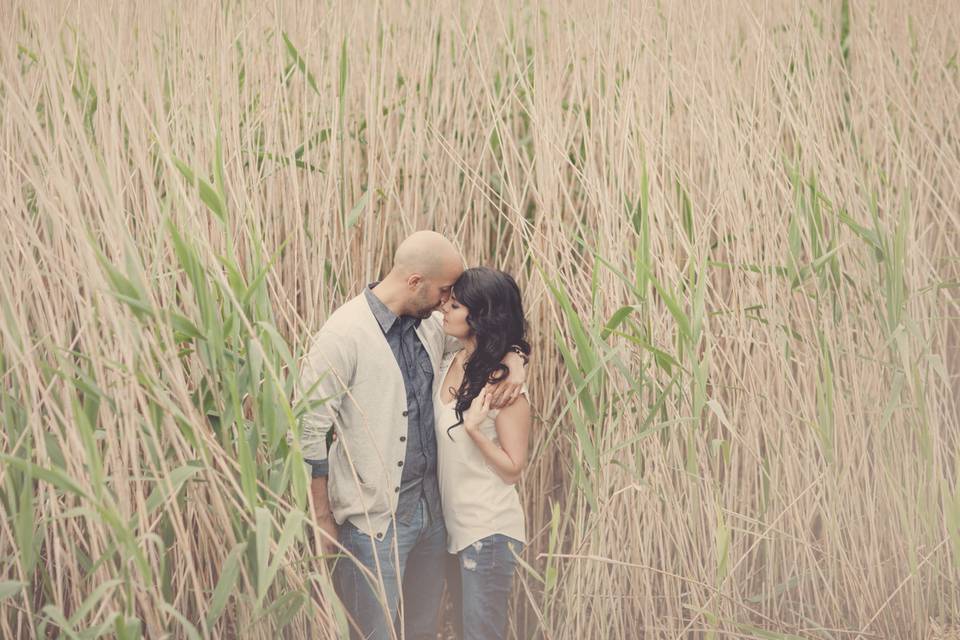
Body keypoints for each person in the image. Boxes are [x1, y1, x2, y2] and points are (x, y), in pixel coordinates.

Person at [296, 232, 527, 640]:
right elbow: (309, 430)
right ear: (416, 282)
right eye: (443, 292)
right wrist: (320, 517)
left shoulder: (430, 328)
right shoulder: (343, 335)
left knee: (422, 630)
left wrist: (516, 357)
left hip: (432, 520)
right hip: (374, 521)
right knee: (374, 633)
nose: (446, 302)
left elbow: (485, 338)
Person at [436, 267, 532, 640]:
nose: (445, 307)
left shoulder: (505, 389)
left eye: (456, 304)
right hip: (455, 528)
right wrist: (518, 352)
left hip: (488, 530)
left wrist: (475, 431)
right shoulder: (452, 358)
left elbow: (512, 470)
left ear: (480, 317)